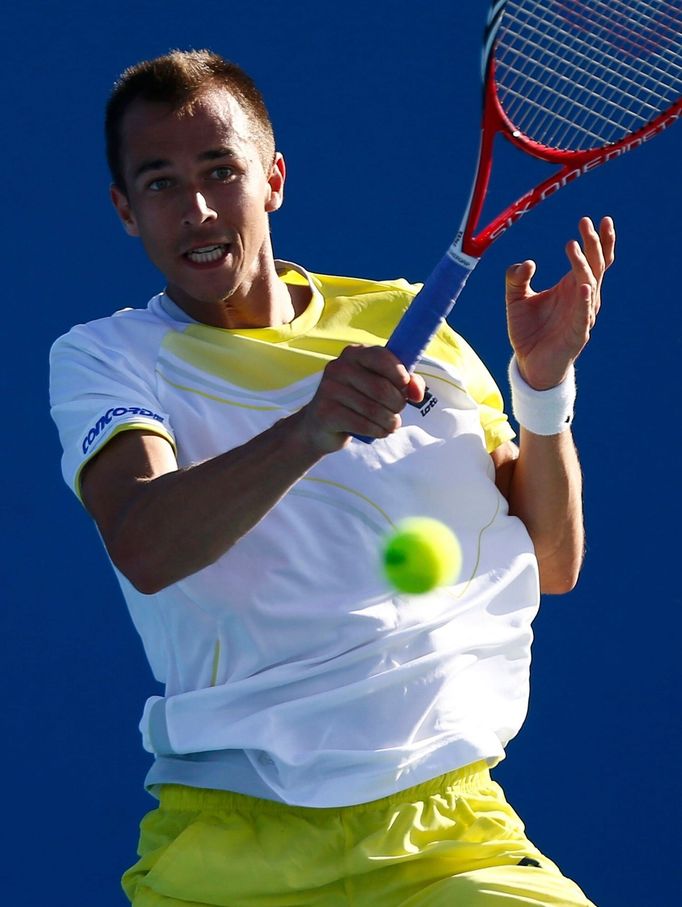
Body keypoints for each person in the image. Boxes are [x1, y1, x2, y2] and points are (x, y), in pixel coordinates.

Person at [49, 49, 614, 907]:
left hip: (448, 839)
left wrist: (543, 390)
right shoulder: (107, 357)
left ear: (272, 179)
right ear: (126, 211)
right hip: (232, 850)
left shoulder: (413, 325)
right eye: (160, 183)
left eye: (220, 170)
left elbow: (552, 560)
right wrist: (309, 430)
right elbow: (145, 541)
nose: (197, 209)